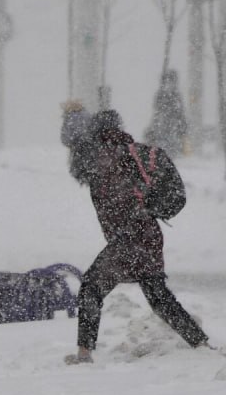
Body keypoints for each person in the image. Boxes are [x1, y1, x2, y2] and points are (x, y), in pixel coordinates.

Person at [61, 108, 208, 365]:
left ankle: (84, 354)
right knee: (158, 297)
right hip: (148, 234)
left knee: (90, 289)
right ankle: (201, 343)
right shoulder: (145, 154)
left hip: (127, 238)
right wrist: (152, 208)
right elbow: (177, 195)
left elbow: (74, 151)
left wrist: (72, 117)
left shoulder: (99, 156)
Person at [144, 69, 189, 155]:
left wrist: (182, 127)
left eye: (171, 81)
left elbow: (180, 112)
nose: (169, 84)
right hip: (163, 128)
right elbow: (157, 110)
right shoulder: (162, 94)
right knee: (164, 148)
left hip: (171, 128)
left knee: (170, 149)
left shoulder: (175, 95)